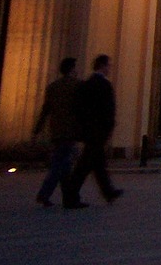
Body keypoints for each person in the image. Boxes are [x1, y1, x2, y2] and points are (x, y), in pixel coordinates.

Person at [65, 54, 123, 208]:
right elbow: (108, 110)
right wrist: (108, 129)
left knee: (97, 163)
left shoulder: (86, 84)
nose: (110, 68)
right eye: (108, 65)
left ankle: (108, 192)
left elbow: (78, 108)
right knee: (84, 166)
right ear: (102, 66)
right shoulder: (104, 85)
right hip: (99, 132)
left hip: (89, 131)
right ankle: (70, 196)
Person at [31, 57, 79, 207]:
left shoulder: (52, 87)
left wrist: (37, 129)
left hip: (56, 131)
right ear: (72, 69)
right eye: (75, 68)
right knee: (61, 164)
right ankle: (44, 193)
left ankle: (68, 198)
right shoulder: (76, 86)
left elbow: (46, 110)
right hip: (70, 131)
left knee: (64, 165)